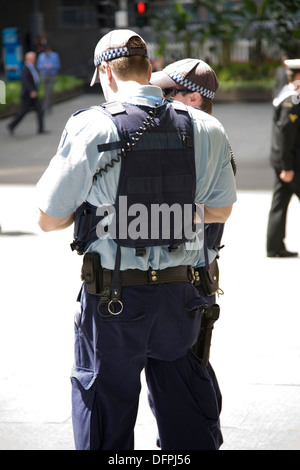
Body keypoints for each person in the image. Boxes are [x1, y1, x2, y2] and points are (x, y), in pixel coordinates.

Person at [36, 29, 236, 450]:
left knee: (104, 420)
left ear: (105, 71)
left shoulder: (91, 126)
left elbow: (49, 219)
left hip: (112, 298)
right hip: (182, 297)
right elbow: (220, 211)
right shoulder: (207, 128)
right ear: (150, 68)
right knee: (188, 421)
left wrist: (105, 209)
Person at [150, 57, 235, 443]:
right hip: (190, 275)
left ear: (194, 99)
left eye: (168, 93)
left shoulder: (202, 142)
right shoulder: (196, 137)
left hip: (190, 278)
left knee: (183, 377)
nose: (160, 100)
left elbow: (215, 213)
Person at [266, 59, 300, 258]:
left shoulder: (286, 94)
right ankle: (274, 246)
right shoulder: (292, 100)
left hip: (284, 161)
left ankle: (274, 246)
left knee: (279, 203)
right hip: (291, 163)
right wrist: (287, 166)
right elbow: (286, 135)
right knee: (279, 203)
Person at [7, 51, 45, 135]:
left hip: (33, 94)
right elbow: (25, 82)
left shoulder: (33, 67)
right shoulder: (25, 68)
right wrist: (31, 91)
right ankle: (11, 125)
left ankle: (41, 129)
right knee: (23, 112)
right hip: (28, 95)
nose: (35, 59)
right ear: (29, 59)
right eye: (34, 58)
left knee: (40, 110)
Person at [37, 45, 61, 113]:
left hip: (52, 75)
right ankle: (48, 106)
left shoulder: (55, 55)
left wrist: (52, 66)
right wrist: (43, 66)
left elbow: (58, 65)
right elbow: (38, 66)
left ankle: (45, 107)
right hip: (44, 75)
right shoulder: (41, 56)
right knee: (46, 91)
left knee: (49, 91)